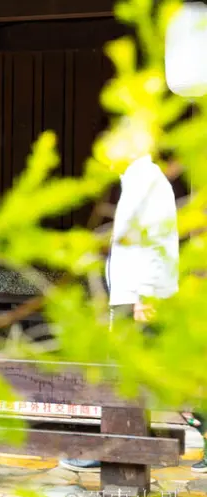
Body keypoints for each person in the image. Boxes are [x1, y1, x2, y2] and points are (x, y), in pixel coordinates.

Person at [59, 153, 179, 473]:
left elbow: (156, 244)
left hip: (138, 297)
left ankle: (115, 448)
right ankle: (125, 443)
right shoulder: (137, 181)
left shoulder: (147, 181)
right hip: (133, 295)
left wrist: (145, 296)